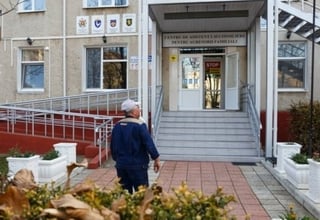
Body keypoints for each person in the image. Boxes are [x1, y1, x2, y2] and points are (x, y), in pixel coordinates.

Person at [110, 99, 160, 193]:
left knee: (124, 195)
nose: (139, 110)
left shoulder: (117, 125)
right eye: (138, 108)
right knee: (142, 194)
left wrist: (119, 159)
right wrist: (156, 159)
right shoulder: (140, 125)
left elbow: (113, 146)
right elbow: (149, 143)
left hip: (121, 166)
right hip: (138, 166)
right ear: (133, 112)